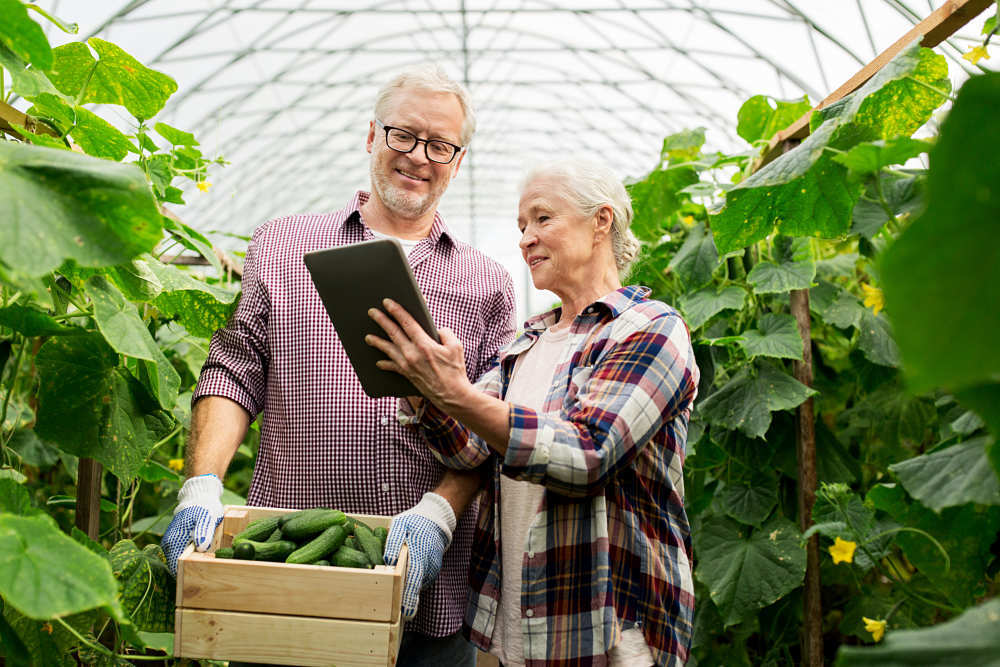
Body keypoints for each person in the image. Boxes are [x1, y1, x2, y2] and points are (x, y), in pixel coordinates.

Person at [161, 64, 516, 667]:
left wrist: (438, 513)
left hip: (427, 596)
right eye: (403, 135)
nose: (418, 157)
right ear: (372, 135)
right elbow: (232, 373)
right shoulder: (282, 244)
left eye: (440, 145)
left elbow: (495, 428)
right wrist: (201, 485)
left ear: (458, 161)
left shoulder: (487, 282)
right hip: (289, 571)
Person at [367, 158, 699, 666]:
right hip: (513, 627)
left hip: (607, 633)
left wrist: (454, 392)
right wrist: (420, 385)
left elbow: (586, 456)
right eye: (521, 226)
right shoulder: (526, 341)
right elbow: (468, 448)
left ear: (601, 222)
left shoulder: (649, 329)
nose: (525, 238)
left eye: (542, 219)